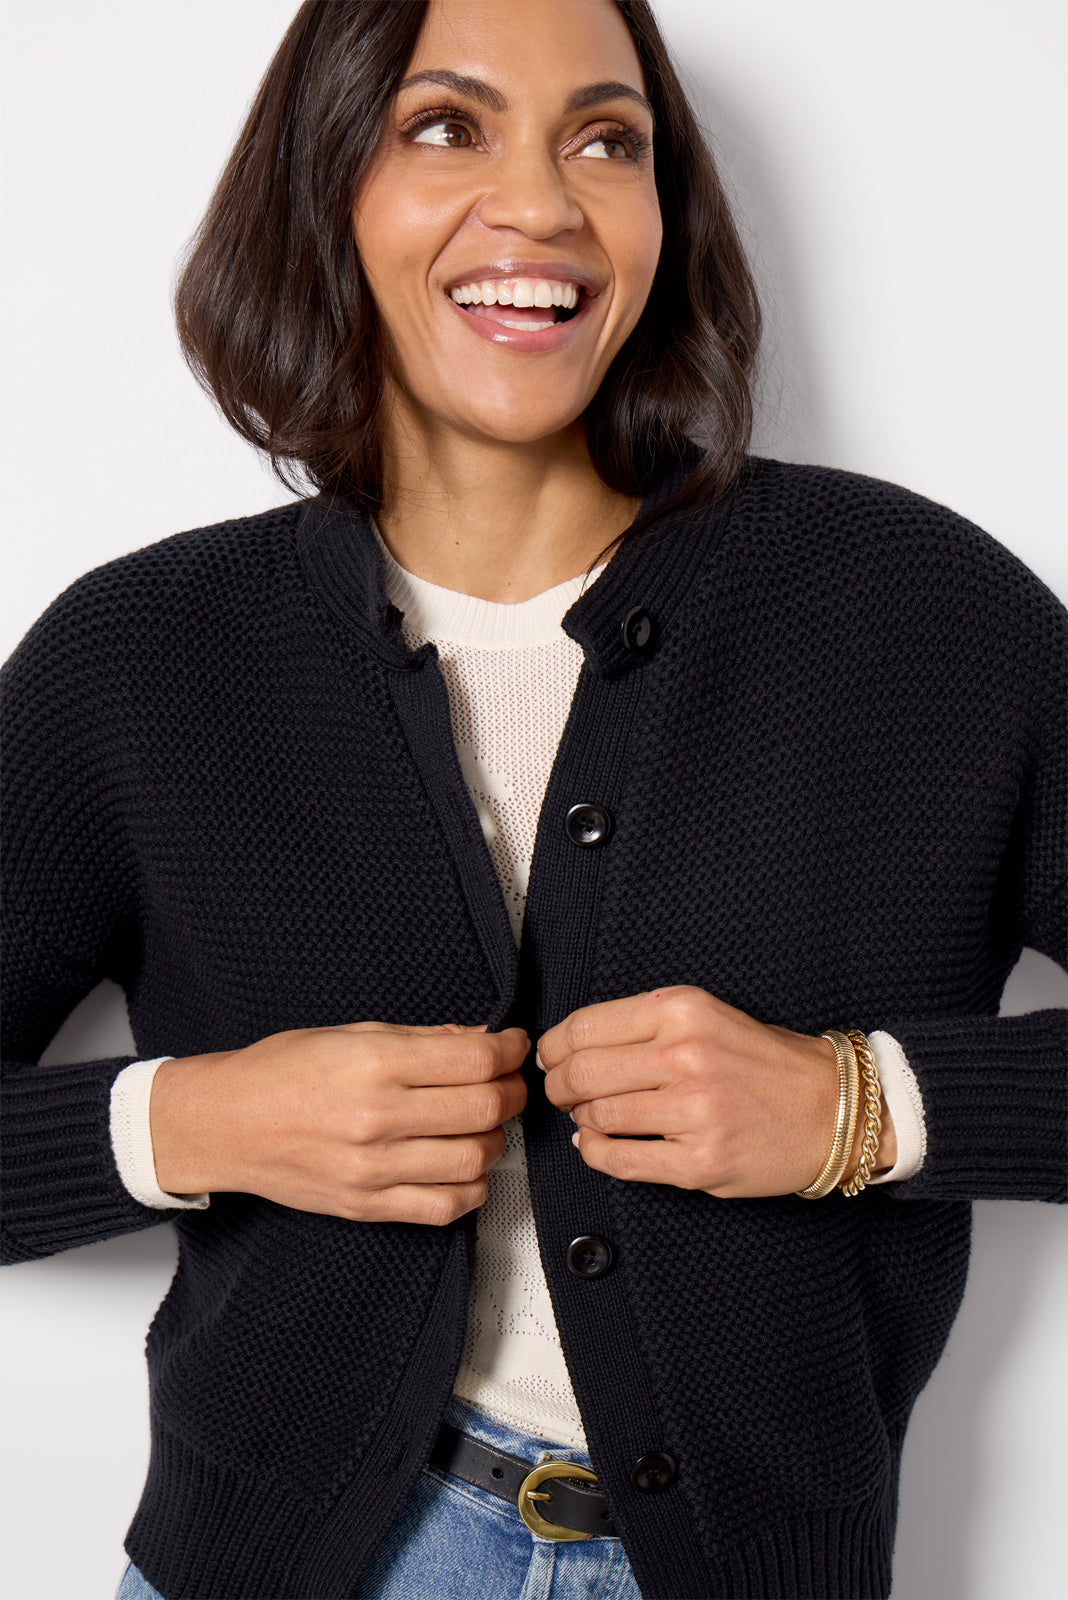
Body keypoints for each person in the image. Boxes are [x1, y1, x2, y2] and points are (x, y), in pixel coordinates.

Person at [2, 1, 1064, 1597]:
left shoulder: (919, 615)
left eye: (606, 140)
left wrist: (863, 1109)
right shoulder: (148, 656)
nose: (543, 202)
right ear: (327, 189)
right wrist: (197, 1120)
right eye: (447, 125)